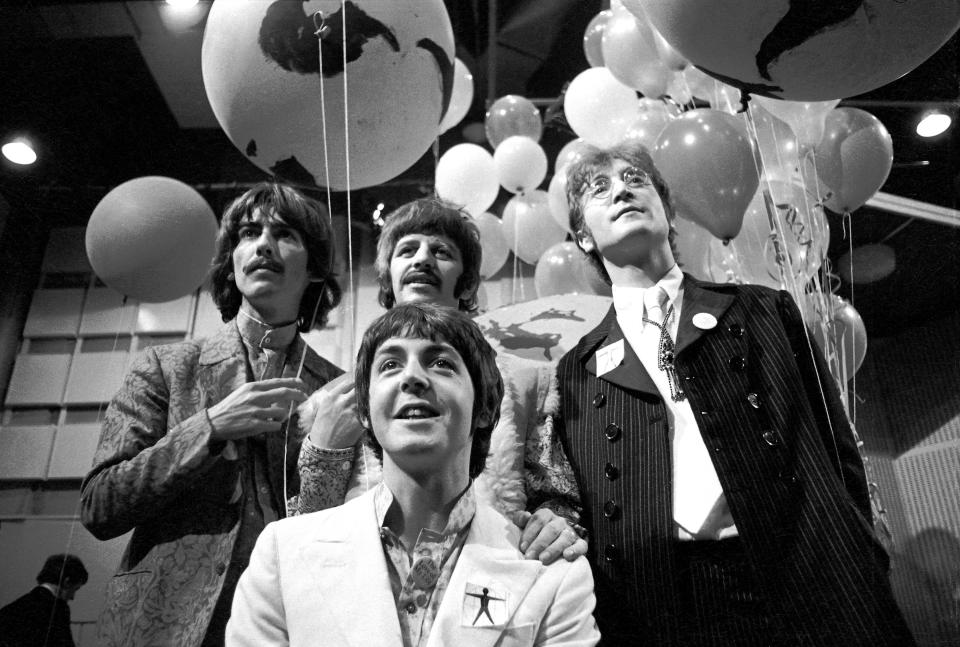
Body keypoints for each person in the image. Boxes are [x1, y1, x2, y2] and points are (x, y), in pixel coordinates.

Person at [546, 142, 915, 645]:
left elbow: (838, 449)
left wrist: (861, 551)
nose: (622, 190)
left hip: (810, 569)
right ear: (583, 237)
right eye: (598, 188)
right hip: (668, 605)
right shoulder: (577, 371)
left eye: (636, 179)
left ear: (668, 210)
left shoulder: (764, 312)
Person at [227, 303, 600, 646]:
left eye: (441, 363)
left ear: (485, 408)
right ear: (365, 412)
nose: (413, 378)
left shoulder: (553, 573)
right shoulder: (283, 552)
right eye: (390, 365)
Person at [80, 182, 343, 647]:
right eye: (248, 233)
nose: (263, 244)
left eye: (285, 234)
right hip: (162, 623)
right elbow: (99, 505)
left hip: (291, 623)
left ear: (316, 268)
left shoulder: (337, 389)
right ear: (232, 262)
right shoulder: (167, 366)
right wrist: (209, 427)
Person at [295, 198, 586, 564]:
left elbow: (559, 501)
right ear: (387, 278)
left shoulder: (528, 382)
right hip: (368, 590)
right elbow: (307, 532)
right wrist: (325, 451)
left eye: (441, 251)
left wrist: (556, 524)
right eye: (407, 250)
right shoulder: (338, 397)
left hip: (491, 582)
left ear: (465, 284)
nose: (422, 259)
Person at [0, 554, 88, 647]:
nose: (72, 597)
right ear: (67, 582)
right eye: (75, 589)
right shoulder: (58, 608)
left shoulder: (11, 608)